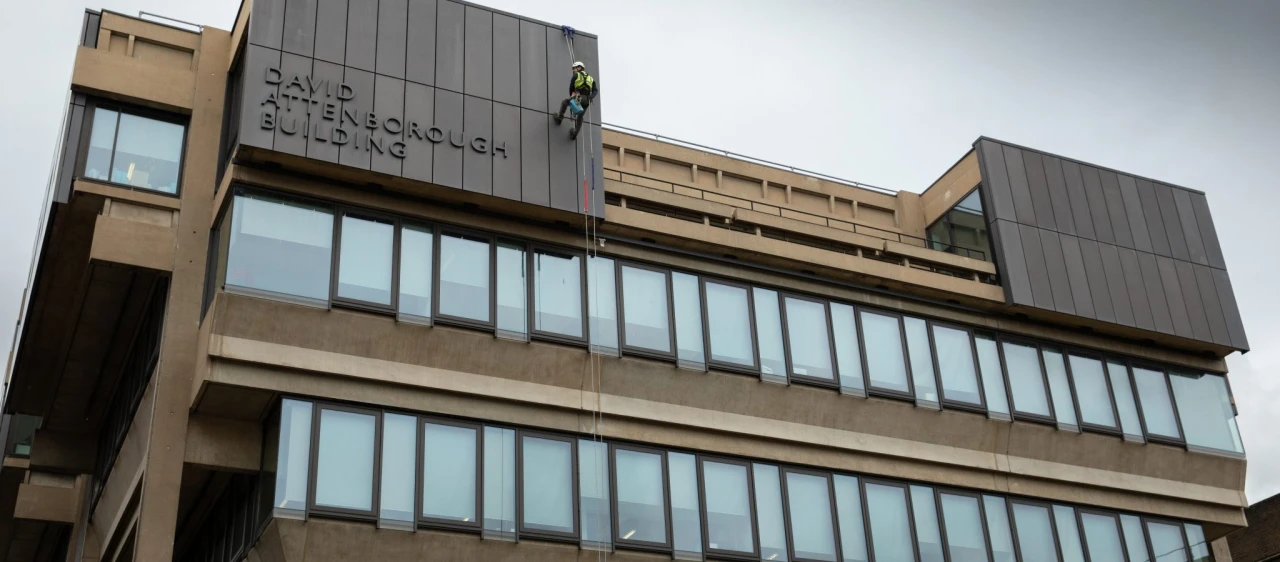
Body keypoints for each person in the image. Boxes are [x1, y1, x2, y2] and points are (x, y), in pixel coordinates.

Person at [554, 61, 598, 139]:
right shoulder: (590, 78)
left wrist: (571, 95)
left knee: (565, 102)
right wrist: (591, 97)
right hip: (587, 100)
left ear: (579, 68)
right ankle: (575, 133)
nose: (573, 70)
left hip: (579, 97)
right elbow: (595, 90)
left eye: (574, 68)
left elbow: (571, 86)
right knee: (580, 116)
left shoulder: (576, 75)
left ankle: (559, 118)